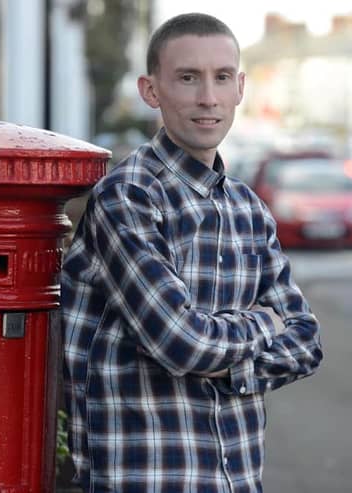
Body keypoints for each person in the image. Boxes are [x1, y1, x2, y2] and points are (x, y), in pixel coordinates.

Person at [61, 12, 323, 493]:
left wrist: (228, 368)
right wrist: (264, 323)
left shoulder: (250, 209)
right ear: (151, 90)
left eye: (221, 77)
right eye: (188, 77)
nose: (208, 97)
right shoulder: (129, 197)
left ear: (240, 87)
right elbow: (182, 342)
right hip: (142, 479)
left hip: (237, 479)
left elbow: (306, 343)